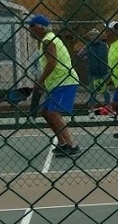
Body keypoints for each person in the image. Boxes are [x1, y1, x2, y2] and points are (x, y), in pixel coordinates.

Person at [24, 14, 81, 157]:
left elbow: (52, 62)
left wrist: (40, 80)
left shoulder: (48, 40)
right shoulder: (46, 40)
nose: (29, 29)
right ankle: (62, 143)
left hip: (65, 81)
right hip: (56, 82)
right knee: (45, 112)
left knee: (53, 113)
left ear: (39, 27)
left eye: (31, 26)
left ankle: (71, 145)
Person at [77, 31, 110, 108]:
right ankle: (91, 109)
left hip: (103, 71)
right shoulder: (88, 46)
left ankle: (109, 108)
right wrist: (86, 58)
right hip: (93, 71)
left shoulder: (104, 45)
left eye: (95, 35)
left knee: (106, 91)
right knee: (92, 91)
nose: (93, 37)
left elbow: (109, 55)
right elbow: (80, 54)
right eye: (92, 35)